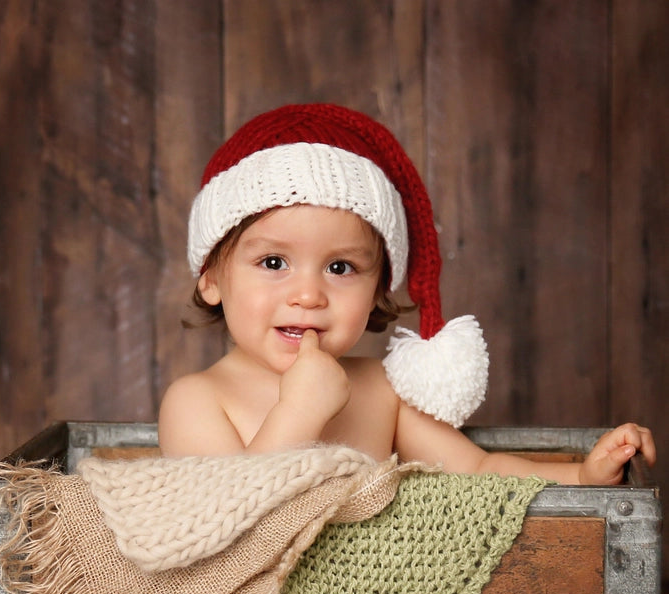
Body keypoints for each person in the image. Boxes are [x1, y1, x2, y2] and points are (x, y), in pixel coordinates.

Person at [158, 103, 655, 484]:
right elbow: (228, 536)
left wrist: (583, 477)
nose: (308, 294)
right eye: (273, 262)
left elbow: (477, 471)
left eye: (340, 266)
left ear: (378, 289)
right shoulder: (197, 402)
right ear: (212, 278)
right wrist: (300, 413)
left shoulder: (381, 390)